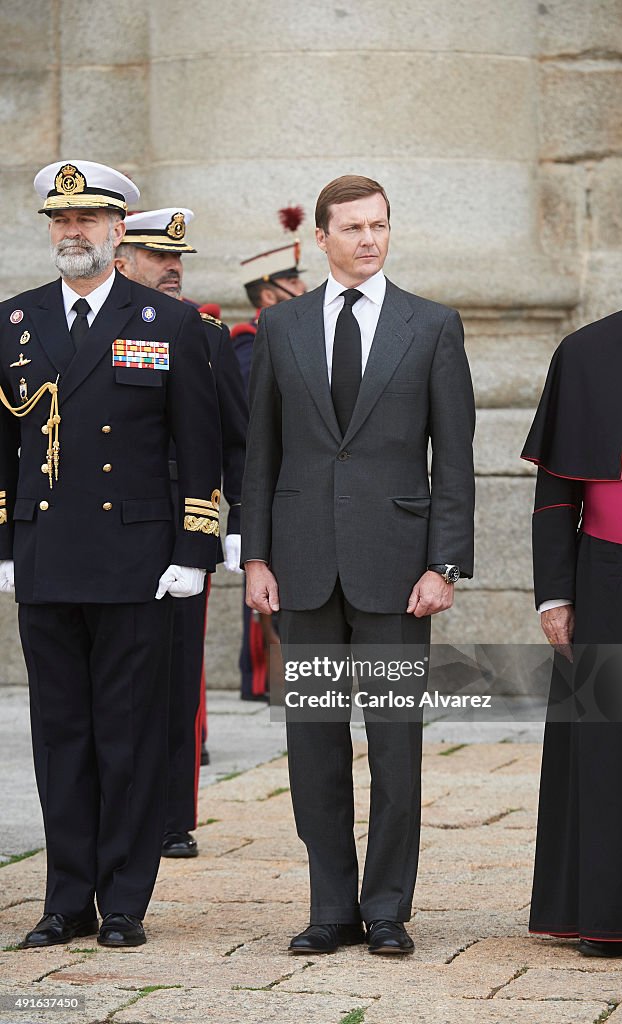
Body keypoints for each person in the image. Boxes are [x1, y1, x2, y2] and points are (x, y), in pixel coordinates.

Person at [241, 175, 475, 955]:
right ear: (322, 238)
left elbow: (456, 459)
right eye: (353, 228)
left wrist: (444, 562)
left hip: (397, 573)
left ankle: (386, 912)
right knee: (312, 747)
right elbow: (261, 451)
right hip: (302, 568)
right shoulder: (283, 328)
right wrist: (257, 555)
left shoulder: (433, 326)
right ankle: (330, 907)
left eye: (379, 226)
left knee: (395, 747)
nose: (369, 239)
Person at [0, 161, 221, 948]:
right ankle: (65, 900)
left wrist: (194, 546)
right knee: (61, 735)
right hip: (49, 557)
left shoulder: (168, 323)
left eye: (88, 220)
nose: (73, 233)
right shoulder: (16, 322)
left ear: (118, 231)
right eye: (60, 222)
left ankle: (124, 900)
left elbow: (198, 449)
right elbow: (4, 446)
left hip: (137, 563)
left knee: (125, 732)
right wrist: (5, 541)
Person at [522, 200, 622, 955]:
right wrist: (555, 593)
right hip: (607, 581)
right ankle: (607, 918)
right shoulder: (583, 354)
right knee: (607, 744)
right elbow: (555, 492)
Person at [115, 207, 248, 858]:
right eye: (157, 257)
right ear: (121, 259)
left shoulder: (205, 333)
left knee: (174, 675)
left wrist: (239, 525)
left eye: (178, 259)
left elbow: (236, 440)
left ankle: (171, 815)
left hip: (175, 521)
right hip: (96, 524)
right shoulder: (73, 326)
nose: (172, 268)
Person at [232, 211, 307, 701]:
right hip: (268, 481)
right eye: (292, 282)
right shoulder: (247, 344)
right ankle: (262, 678)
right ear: (267, 293)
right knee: (266, 586)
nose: (303, 288)